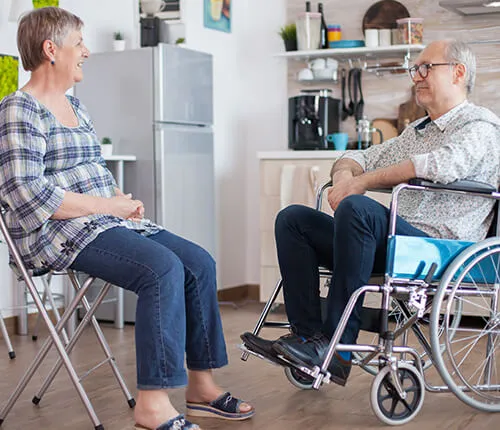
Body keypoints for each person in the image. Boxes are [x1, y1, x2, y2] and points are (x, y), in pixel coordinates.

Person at [0, 7, 254, 430]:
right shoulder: (18, 110)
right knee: (160, 269)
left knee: (199, 263)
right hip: (58, 234)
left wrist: (119, 199)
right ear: (51, 49)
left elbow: (95, 171)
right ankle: (152, 406)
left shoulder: (76, 108)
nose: (86, 51)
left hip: (103, 222)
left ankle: (201, 387)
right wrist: (107, 207)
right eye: (79, 42)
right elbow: (26, 197)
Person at [242, 39, 500, 387]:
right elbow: (358, 156)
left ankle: (338, 350)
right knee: (293, 220)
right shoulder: (418, 131)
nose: (417, 77)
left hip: (441, 248)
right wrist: (346, 177)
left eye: (426, 68)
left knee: (359, 209)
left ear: (458, 73)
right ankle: (307, 340)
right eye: (415, 70)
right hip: (399, 244)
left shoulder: (481, 126)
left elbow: (440, 165)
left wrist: (362, 184)